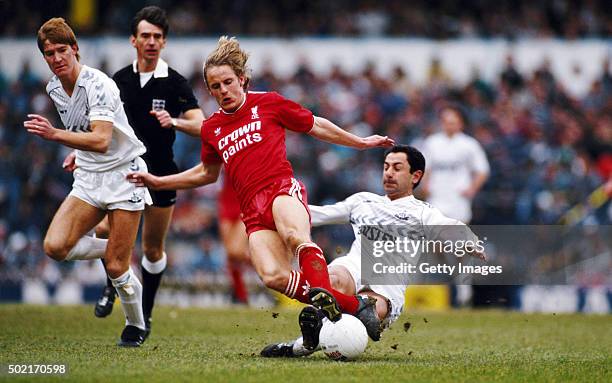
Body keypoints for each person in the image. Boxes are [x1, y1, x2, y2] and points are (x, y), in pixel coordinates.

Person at [128, 36, 395, 341]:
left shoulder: (268, 103)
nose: (223, 91)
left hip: (281, 188)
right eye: (215, 87)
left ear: (242, 79)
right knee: (272, 275)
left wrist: (359, 142)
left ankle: (327, 302)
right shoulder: (212, 128)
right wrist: (160, 181)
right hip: (251, 213)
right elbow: (206, 173)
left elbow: (315, 124)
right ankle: (354, 305)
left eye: (228, 82)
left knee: (296, 236)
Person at [260, 145, 486, 357]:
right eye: (386, 167)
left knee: (364, 312)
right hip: (352, 268)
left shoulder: (423, 213)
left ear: (415, 176)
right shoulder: (362, 201)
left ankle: (301, 344)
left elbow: (450, 227)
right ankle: (319, 326)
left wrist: (469, 241)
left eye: (397, 168)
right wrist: (275, 211)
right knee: (328, 281)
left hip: (386, 284)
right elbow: (317, 214)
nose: (389, 173)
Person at [79, 6, 204, 339]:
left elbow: (201, 123)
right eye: (146, 35)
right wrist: (79, 154)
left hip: (162, 173)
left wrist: (175, 120)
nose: (151, 42)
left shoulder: (175, 82)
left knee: (151, 249)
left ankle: (144, 315)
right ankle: (111, 284)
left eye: (158, 37)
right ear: (133, 40)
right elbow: (99, 125)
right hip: (123, 172)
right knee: (107, 232)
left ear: (164, 42)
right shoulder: (117, 81)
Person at [25, 17, 151, 347]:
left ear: (76, 49)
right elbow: (85, 135)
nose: (56, 58)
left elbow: (102, 140)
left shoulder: (100, 85)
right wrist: (77, 154)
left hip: (124, 174)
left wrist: (56, 136)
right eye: (49, 53)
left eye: (62, 50)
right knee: (55, 247)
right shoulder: (54, 87)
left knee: (116, 268)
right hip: (90, 176)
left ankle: (136, 326)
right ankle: (117, 251)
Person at [421, 105, 490, 224]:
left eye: (453, 122)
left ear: (460, 123)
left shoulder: (469, 144)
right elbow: (424, 167)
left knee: (459, 238)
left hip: (458, 197)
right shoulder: (432, 142)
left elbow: (482, 170)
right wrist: (425, 185)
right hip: (436, 195)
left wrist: (472, 188)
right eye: (446, 122)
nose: (449, 125)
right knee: (434, 237)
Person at [218, 174, 250, 304]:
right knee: (231, 257)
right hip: (226, 203)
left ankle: (267, 264)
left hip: (244, 204)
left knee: (235, 251)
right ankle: (240, 295)